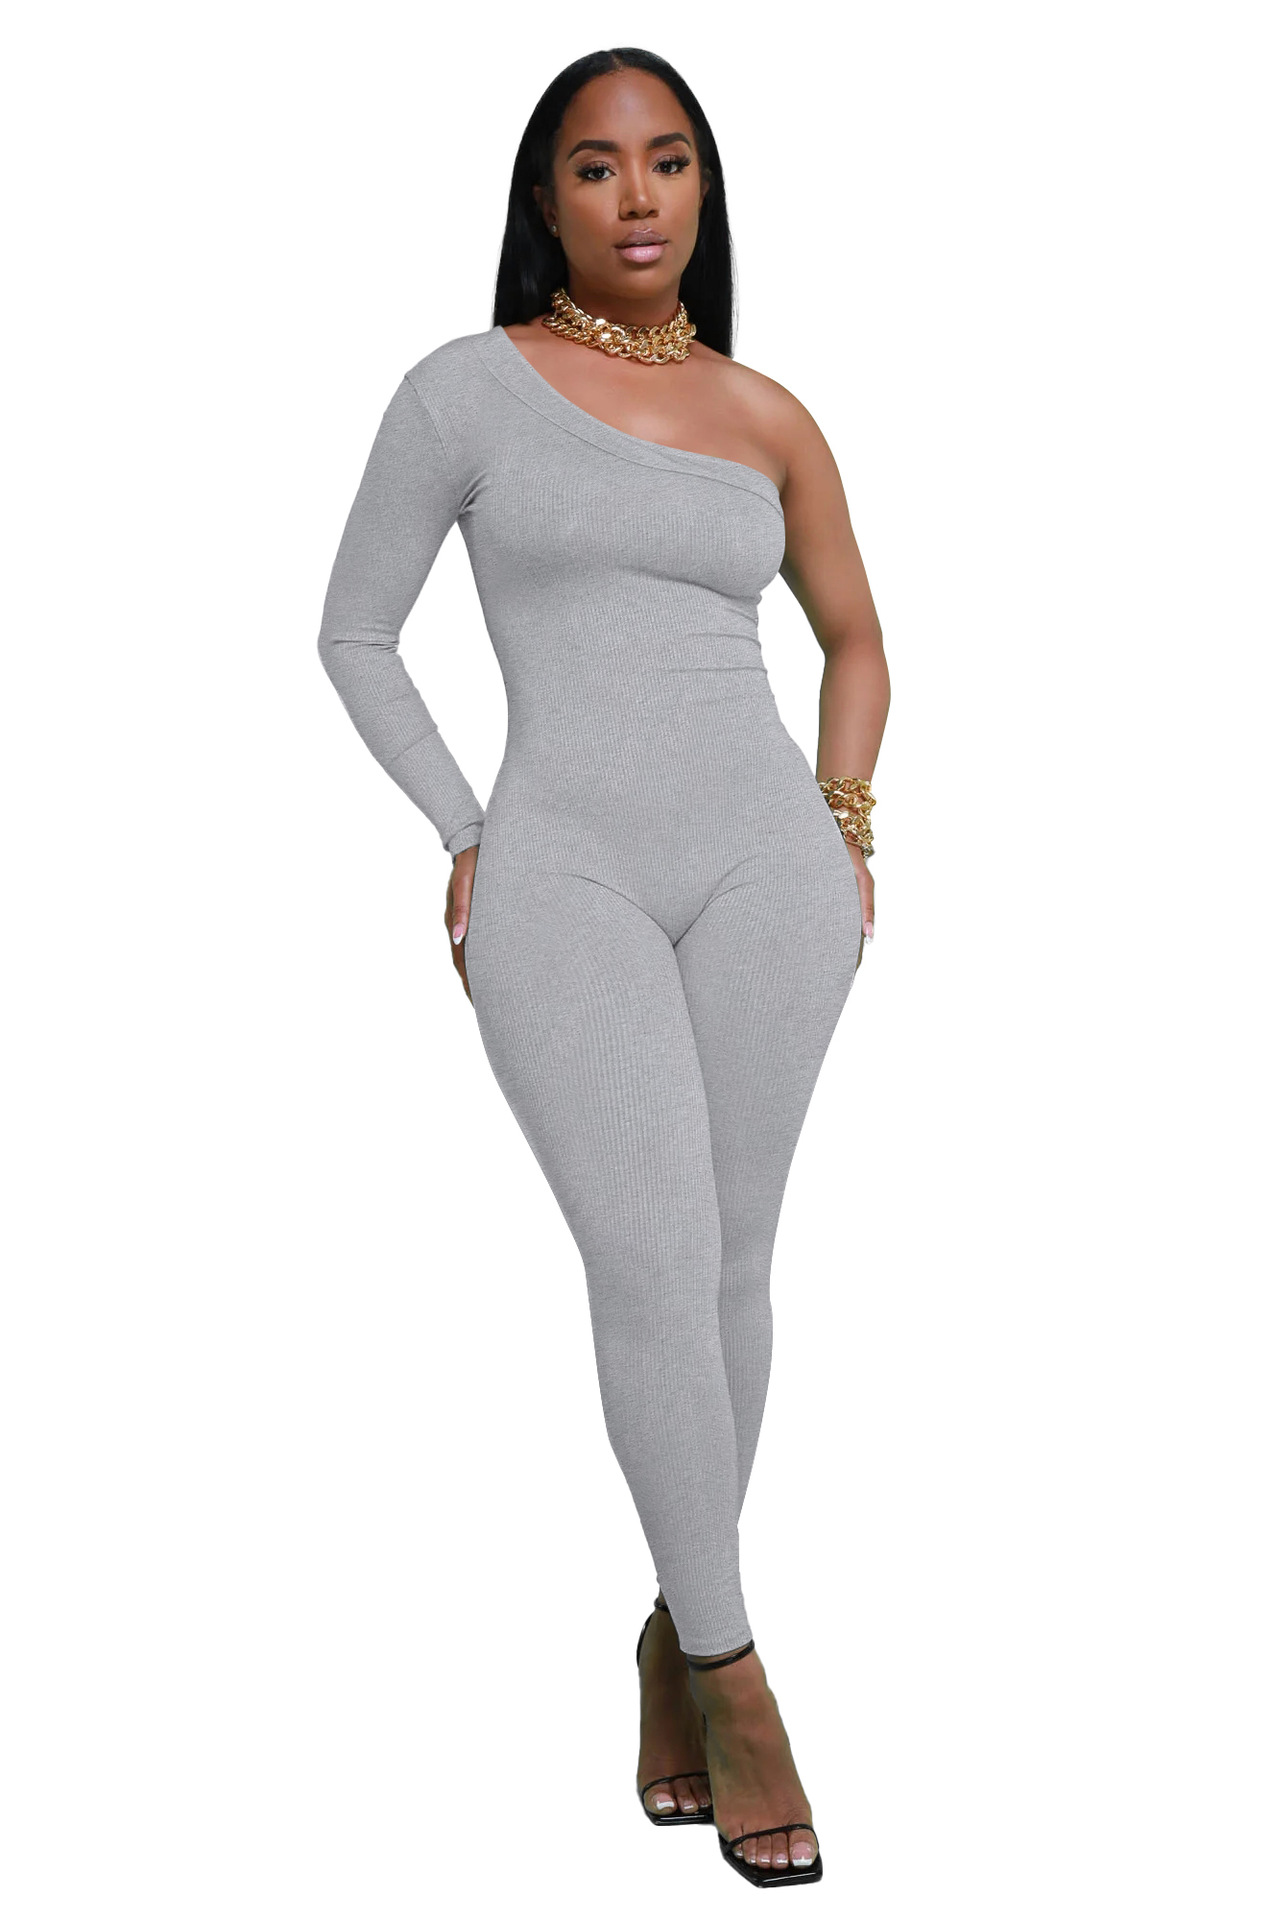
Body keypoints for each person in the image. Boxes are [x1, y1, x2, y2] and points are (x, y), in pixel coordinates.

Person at [316, 46, 889, 1890]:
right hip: (561, 866)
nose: (638, 196)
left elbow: (857, 637)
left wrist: (846, 827)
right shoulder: (463, 390)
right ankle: (736, 1678)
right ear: (545, 197)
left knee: (731, 1259)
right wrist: (463, 826)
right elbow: (355, 633)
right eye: (594, 165)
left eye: (668, 161)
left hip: (770, 872)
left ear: (704, 189)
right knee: (644, 1256)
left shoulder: (769, 413)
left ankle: (669, 1628)